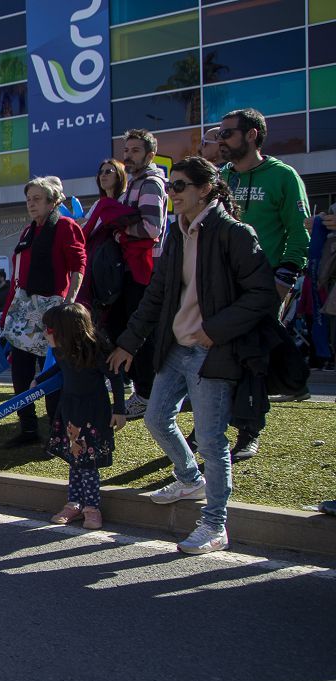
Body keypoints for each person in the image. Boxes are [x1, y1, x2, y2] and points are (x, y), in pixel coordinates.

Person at [108, 156, 277, 554]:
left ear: (206, 189)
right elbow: (156, 295)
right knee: (155, 417)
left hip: (212, 352)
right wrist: (129, 341)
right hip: (176, 348)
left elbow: (262, 294)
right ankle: (189, 479)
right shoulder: (178, 233)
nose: (171, 193)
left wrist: (213, 332)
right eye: (170, 187)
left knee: (212, 440)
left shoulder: (233, 233)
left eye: (180, 186)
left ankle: (216, 524)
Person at [219, 107, 311, 457]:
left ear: (252, 134)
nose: (221, 140)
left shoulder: (283, 176)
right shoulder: (221, 176)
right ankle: (211, 425)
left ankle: (248, 431)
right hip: (224, 285)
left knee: (252, 358)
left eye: (228, 133)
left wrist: (284, 280)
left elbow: (299, 234)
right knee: (219, 355)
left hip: (265, 284)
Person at [1, 176, 86, 447]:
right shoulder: (29, 231)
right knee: (20, 374)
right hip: (24, 312)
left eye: (37, 199)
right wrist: (6, 315)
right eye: (28, 199)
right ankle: (27, 429)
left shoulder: (65, 226)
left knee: (50, 375)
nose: (31, 203)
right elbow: (17, 276)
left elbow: (78, 265)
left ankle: (58, 433)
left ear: (53, 201)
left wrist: (67, 303)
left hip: (52, 312)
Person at [40, 304, 127, 530]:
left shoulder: (95, 349)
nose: (45, 333)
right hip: (70, 410)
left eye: (48, 329)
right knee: (74, 458)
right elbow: (59, 370)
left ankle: (92, 507)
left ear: (65, 330)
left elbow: (116, 378)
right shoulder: (61, 349)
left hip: (93, 412)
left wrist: (119, 410)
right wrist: (39, 381)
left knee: (88, 463)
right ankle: (74, 503)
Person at [113, 129, 168, 420]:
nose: (128, 156)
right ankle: (143, 390)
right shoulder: (133, 184)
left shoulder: (149, 184)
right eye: (126, 150)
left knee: (142, 332)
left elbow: (151, 228)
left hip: (145, 270)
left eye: (135, 150)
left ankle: (146, 394)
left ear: (150, 155)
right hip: (134, 268)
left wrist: (121, 232)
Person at [77, 158, 127, 309]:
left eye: (108, 171)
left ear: (119, 175)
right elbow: (84, 228)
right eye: (100, 172)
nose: (103, 175)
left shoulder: (125, 199)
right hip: (96, 263)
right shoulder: (98, 203)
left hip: (118, 263)